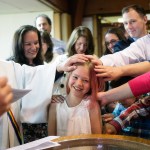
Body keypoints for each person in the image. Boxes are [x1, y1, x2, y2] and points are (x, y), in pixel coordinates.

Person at [0, 54, 89, 149]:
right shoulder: (55, 108)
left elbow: (28, 76)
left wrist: (59, 67)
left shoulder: (5, 67)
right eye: (75, 77)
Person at [48, 61, 104, 136]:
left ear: (91, 84)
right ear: (69, 76)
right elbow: (51, 138)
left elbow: (97, 139)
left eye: (85, 80)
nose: (79, 83)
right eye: (75, 77)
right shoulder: (55, 105)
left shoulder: (92, 106)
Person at [52, 26, 96, 102]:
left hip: (82, 101)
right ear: (73, 43)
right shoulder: (61, 59)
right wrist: (52, 96)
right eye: (79, 44)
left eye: (85, 45)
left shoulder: (93, 59)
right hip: (61, 100)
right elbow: (50, 80)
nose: (82, 48)